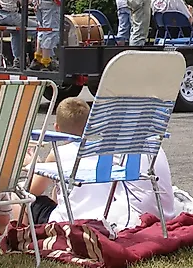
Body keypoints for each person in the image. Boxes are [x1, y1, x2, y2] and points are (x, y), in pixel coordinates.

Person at [26, 98, 175, 229]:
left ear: (57, 128)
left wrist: (34, 164)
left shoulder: (57, 153)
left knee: (30, 201)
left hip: (69, 221)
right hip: (103, 215)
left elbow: (32, 191)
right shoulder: (102, 152)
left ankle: (18, 232)